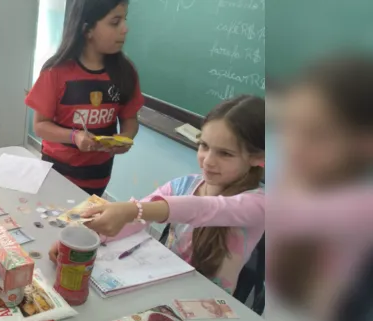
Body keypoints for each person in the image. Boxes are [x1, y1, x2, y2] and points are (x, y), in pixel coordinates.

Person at [51, 95, 266, 294]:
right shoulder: (185, 184)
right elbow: (132, 221)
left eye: (225, 153)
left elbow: (204, 209)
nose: (208, 160)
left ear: (258, 158)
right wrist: (79, 242)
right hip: (164, 286)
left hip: (209, 305)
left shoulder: (259, 203)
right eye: (204, 146)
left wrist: (135, 209)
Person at [266, 55, 373, 321]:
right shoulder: (306, 179)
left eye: (317, 134)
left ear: (365, 143)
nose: (293, 146)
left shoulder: (362, 205)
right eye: (289, 127)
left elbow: (284, 215)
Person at [25, 0, 145, 197]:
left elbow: (130, 119)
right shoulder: (56, 72)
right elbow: (40, 126)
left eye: (125, 20)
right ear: (87, 29)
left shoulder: (126, 72)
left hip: (99, 174)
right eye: (115, 22)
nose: (125, 29)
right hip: (56, 171)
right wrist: (74, 136)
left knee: (86, 223)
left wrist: (124, 138)